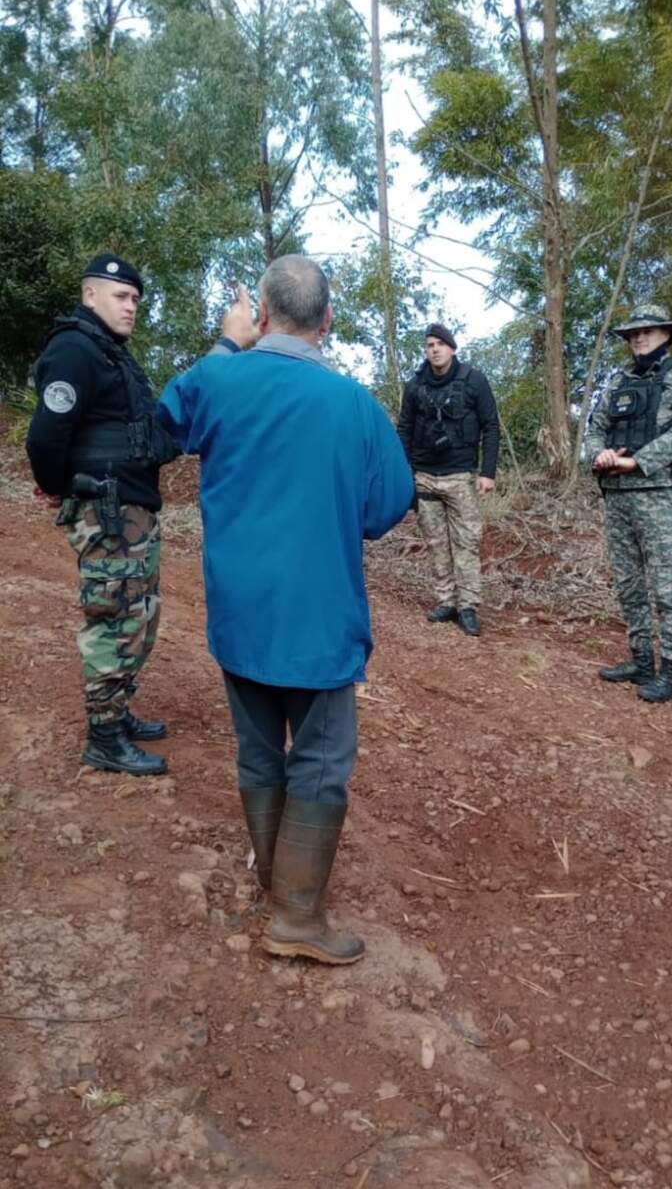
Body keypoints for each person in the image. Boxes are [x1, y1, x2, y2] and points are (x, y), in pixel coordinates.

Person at [156, 255, 413, 966]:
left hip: (240, 616)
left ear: (260, 314)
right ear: (327, 322)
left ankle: (277, 886)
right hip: (320, 618)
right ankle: (296, 917)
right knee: (322, 762)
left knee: (259, 749)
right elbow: (388, 505)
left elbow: (161, 425)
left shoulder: (218, 379)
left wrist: (226, 344)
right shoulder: (353, 404)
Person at [26, 254, 180, 775]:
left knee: (141, 614)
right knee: (115, 615)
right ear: (90, 296)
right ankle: (104, 735)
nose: (131, 306)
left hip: (130, 511)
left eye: (136, 298)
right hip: (106, 511)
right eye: (121, 296)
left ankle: (118, 709)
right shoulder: (74, 350)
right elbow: (46, 435)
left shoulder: (110, 353)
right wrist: (55, 488)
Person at [585, 303, 672, 703]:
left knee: (665, 587)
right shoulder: (618, 379)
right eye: (633, 333)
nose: (639, 337)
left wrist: (636, 462)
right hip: (617, 498)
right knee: (628, 584)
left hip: (658, 498)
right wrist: (599, 455)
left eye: (648, 331)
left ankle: (669, 669)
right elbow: (595, 426)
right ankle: (641, 660)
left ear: (666, 334)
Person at [396, 322, 499, 637]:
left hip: (460, 477)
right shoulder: (415, 386)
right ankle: (447, 602)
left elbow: (490, 426)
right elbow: (404, 429)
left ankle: (468, 608)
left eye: (440, 344)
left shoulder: (474, 381)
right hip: (425, 476)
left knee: (466, 544)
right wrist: (404, 473)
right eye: (429, 345)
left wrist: (487, 472)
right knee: (437, 544)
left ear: (452, 348)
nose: (435, 349)